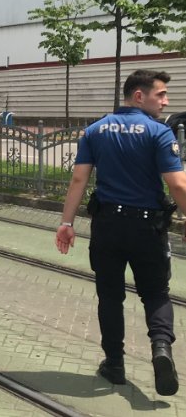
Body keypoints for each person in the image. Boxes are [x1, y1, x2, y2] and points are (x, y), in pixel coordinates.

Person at [56, 69, 186, 396]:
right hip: (147, 228)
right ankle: (160, 349)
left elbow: (78, 180)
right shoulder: (159, 133)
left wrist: (67, 223)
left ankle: (114, 364)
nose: (166, 101)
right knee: (155, 293)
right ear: (139, 95)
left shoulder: (95, 131)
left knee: (110, 296)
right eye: (161, 95)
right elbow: (178, 184)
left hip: (108, 227)